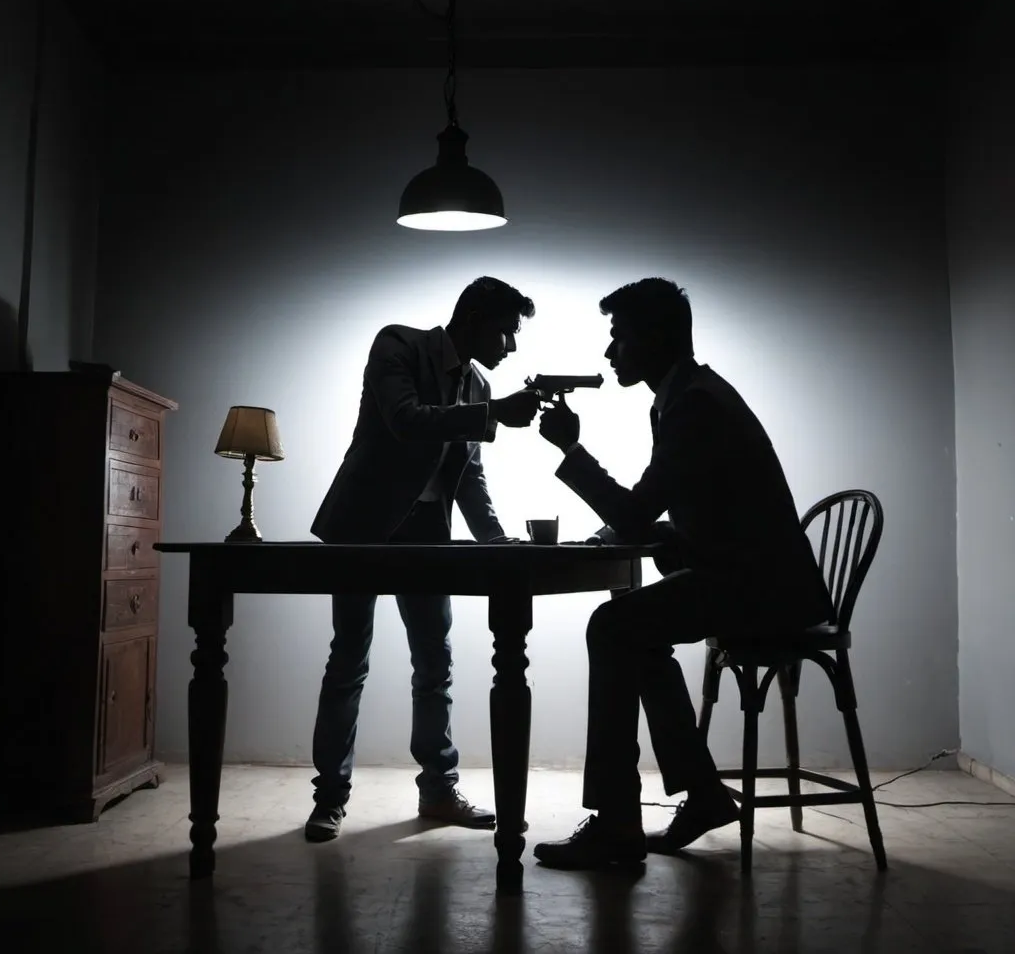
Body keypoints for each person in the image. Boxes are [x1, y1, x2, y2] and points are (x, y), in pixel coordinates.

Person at [531, 277, 835, 869]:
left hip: (763, 592)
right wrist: (664, 533)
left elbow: (637, 510)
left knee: (613, 626)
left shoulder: (692, 403)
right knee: (631, 633)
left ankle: (622, 823)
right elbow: (699, 508)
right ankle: (697, 795)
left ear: (656, 338)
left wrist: (571, 452)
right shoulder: (684, 395)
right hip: (756, 579)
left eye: (619, 337)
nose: (609, 352)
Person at [306, 276, 541, 841]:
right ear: (476, 314)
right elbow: (406, 420)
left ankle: (438, 789)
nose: (511, 346)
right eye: (507, 331)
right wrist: (490, 415)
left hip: (427, 534)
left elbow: (469, 477)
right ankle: (329, 799)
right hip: (363, 528)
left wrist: (494, 541)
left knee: (435, 664)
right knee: (348, 663)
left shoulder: (479, 385)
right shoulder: (397, 345)